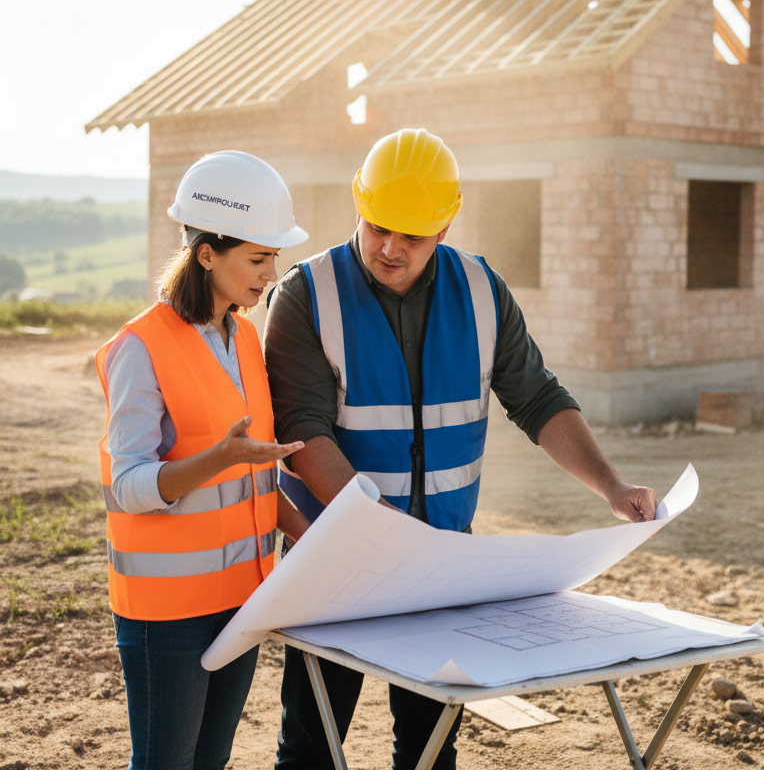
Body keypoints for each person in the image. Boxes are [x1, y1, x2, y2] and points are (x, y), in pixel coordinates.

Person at [265, 127, 657, 770]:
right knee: (313, 746)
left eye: (411, 235)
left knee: (430, 747)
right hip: (335, 560)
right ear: (357, 206)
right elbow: (303, 430)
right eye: (377, 226)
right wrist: (378, 528)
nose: (389, 248)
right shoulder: (306, 295)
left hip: (444, 562)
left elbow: (537, 399)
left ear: (445, 226)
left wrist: (612, 488)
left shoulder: (481, 291)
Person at [96, 150, 313, 770]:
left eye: (273, 257)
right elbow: (128, 487)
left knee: (210, 762)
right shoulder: (140, 348)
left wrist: (316, 539)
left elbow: (255, 481)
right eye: (257, 257)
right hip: (166, 615)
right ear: (206, 253)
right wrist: (217, 458)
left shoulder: (244, 337)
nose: (271, 273)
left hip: (242, 597)